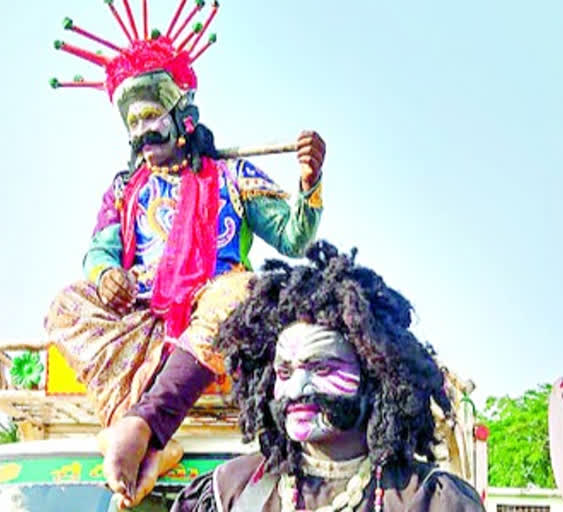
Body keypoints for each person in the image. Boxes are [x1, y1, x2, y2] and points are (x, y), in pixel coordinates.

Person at [45, 1, 326, 507]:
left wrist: (309, 182)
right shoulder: (125, 190)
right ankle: (149, 433)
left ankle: (142, 426)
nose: (141, 134)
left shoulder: (232, 178)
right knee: (65, 305)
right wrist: (107, 274)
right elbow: (99, 250)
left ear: (184, 117)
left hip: (212, 316)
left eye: (151, 118)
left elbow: (293, 237)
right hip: (142, 317)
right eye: (132, 125)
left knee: (242, 290)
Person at [172, 241, 486, 511]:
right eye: (284, 372)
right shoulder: (230, 491)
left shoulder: (429, 499)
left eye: (322, 369)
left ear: (374, 376)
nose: (296, 390)